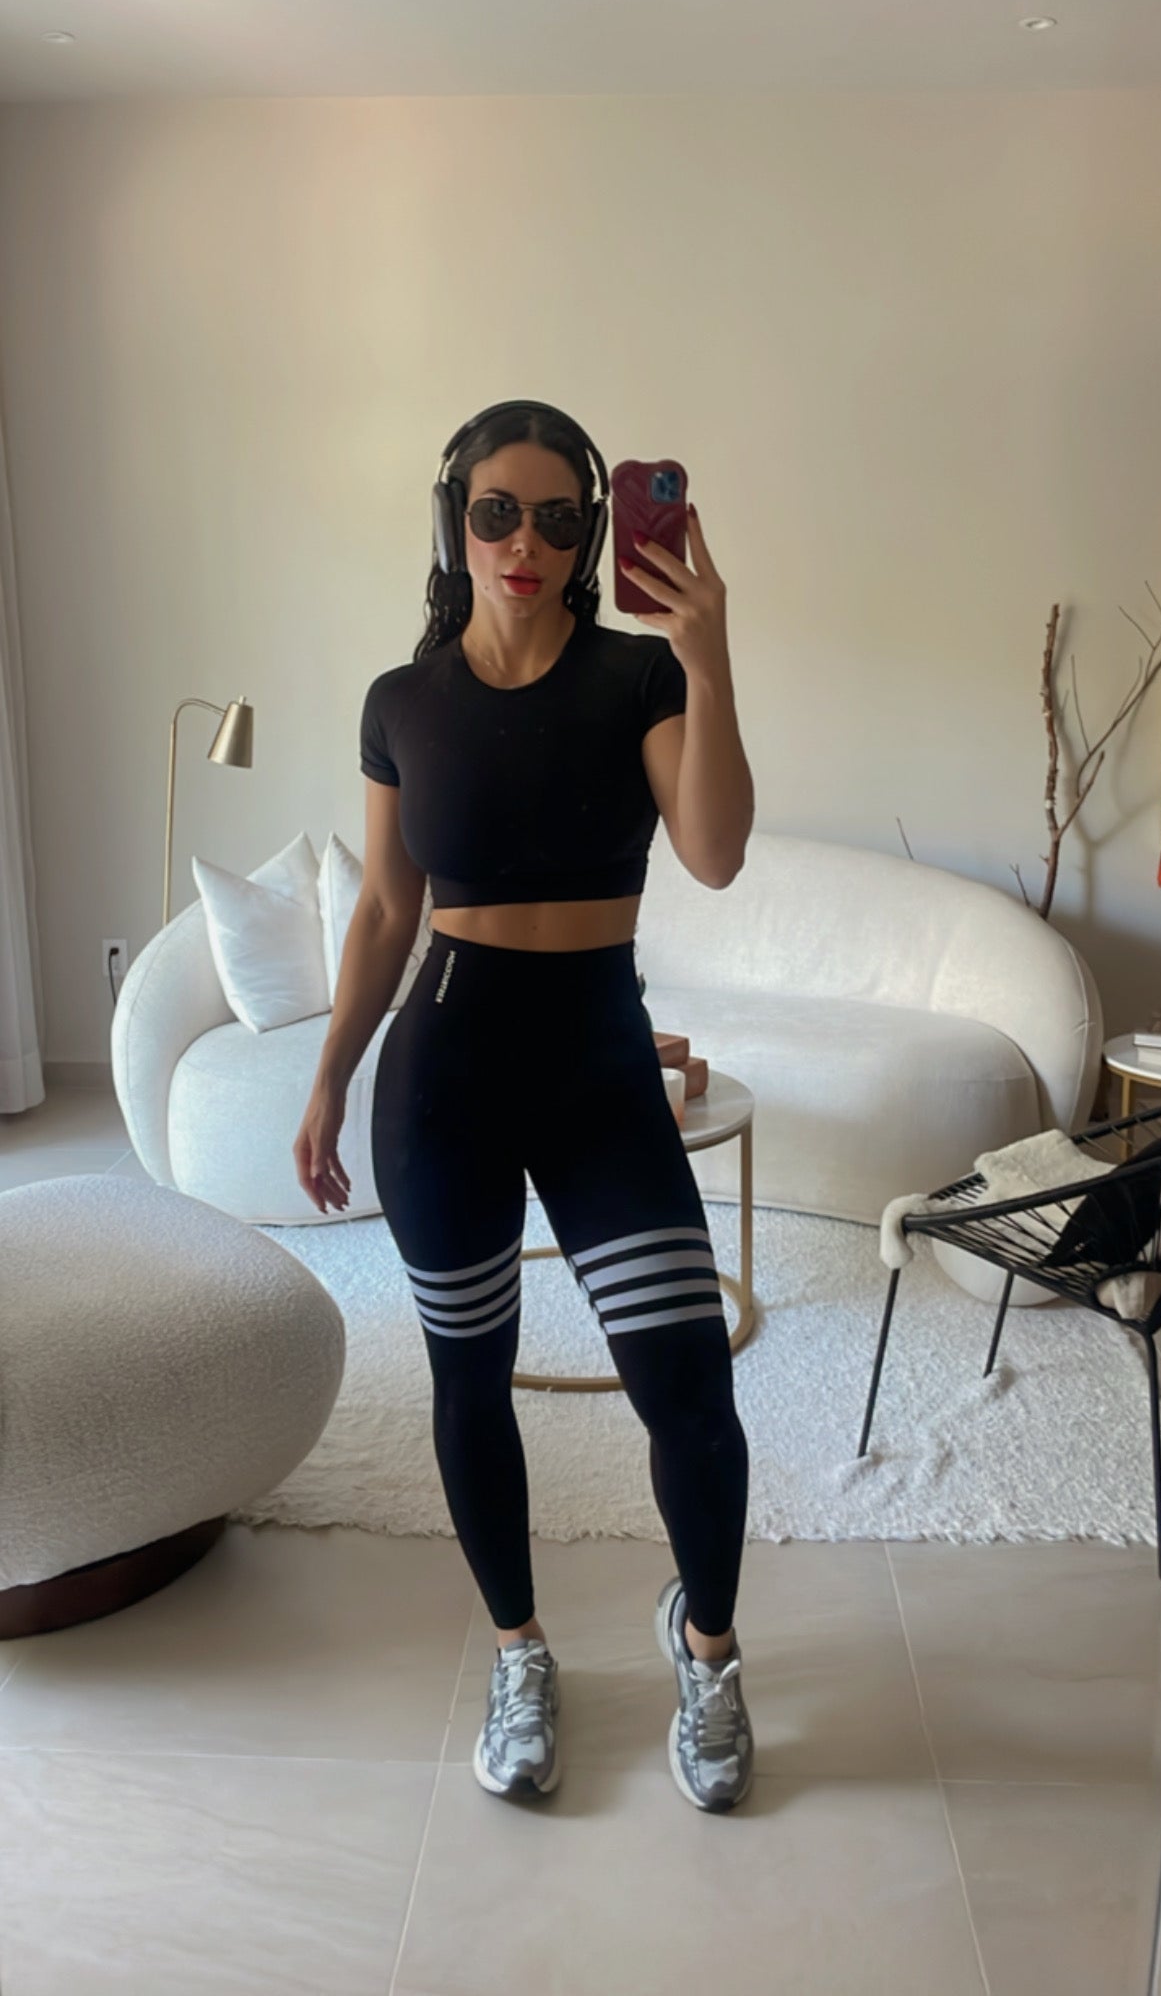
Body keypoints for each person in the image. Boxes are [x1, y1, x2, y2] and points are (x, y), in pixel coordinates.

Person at [294, 400, 756, 1812]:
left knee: (688, 1386)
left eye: (559, 517)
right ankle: (518, 1652)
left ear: (592, 534)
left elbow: (715, 852)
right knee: (468, 1379)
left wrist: (709, 656)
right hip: (443, 1077)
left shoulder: (639, 676)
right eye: (497, 511)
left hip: (599, 1072)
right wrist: (330, 1073)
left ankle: (709, 1650)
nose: (525, 542)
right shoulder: (401, 702)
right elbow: (387, 910)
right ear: (458, 520)